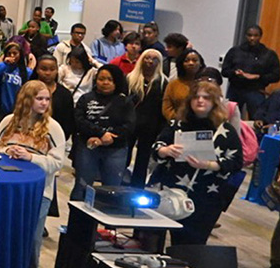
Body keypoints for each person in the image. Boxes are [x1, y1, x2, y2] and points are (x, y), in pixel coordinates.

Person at [0, 82, 66, 268]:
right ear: (27, 99)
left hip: (38, 192)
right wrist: (8, 152)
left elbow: (57, 163)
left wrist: (31, 158)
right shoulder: (8, 122)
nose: (44, 103)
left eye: (47, 99)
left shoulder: (53, 128)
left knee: (33, 240)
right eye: (39, 99)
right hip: (5, 187)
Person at [151, 80, 244, 245]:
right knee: (152, 239)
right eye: (196, 97)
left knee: (191, 246)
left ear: (215, 102)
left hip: (206, 197)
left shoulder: (226, 130)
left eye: (206, 97)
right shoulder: (177, 124)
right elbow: (156, 146)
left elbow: (236, 162)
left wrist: (209, 165)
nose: (200, 101)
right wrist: (165, 151)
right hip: (171, 190)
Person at [71, 64, 135, 201]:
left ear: (116, 81)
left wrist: (111, 138)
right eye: (101, 79)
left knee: (112, 190)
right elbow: (79, 120)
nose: (105, 83)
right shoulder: (85, 99)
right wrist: (100, 134)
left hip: (115, 149)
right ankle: (78, 221)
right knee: (82, 187)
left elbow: (129, 126)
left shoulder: (125, 102)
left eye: (110, 79)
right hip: (88, 147)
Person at [127, 48, 168, 187]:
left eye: (154, 59)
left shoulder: (163, 82)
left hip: (151, 126)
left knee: (143, 160)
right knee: (124, 156)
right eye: (147, 58)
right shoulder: (130, 78)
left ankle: (137, 187)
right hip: (130, 124)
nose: (150, 61)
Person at [221, 24, 280, 118]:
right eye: (249, 35)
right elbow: (224, 71)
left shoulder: (268, 54)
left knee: (257, 119)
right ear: (246, 36)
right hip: (235, 89)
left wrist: (258, 76)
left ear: (260, 36)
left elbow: (276, 76)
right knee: (230, 118)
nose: (252, 38)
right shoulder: (235, 51)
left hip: (256, 90)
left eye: (255, 35)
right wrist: (235, 73)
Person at [30, 54, 75, 140]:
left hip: (55, 139)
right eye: (44, 69)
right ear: (37, 70)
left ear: (57, 70)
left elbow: (68, 122)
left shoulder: (65, 94)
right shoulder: (27, 90)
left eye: (52, 69)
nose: (48, 73)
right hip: (28, 137)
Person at [0, 41, 32, 122]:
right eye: (9, 53)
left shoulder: (27, 72)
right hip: (3, 108)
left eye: (15, 53)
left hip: (20, 109)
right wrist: (4, 64)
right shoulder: (2, 67)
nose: (12, 56)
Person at [162, 48, 206, 120]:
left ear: (200, 64)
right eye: (186, 61)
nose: (191, 63)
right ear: (181, 64)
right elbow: (167, 108)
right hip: (178, 123)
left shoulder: (206, 84)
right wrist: (178, 119)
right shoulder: (173, 85)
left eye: (194, 60)